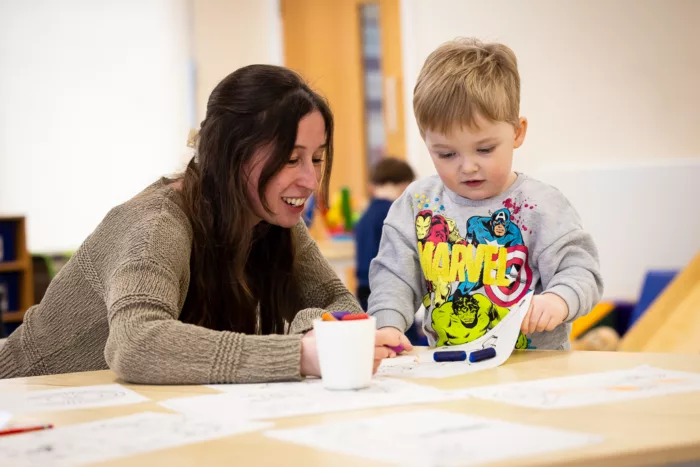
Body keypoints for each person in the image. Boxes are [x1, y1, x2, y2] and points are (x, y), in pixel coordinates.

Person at [0, 64, 412, 383]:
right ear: (231, 155)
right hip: (26, 406)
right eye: (290, 159)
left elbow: (339, 307)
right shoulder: (156, 223)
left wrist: (314, 332)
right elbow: (136, 344)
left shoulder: (272, 219)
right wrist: (300, 354)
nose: (310, 179)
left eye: (316, 158)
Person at [367, 38, 603, 351]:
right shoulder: (417, 204)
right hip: (450, 366)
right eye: (446, 154)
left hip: (535, 370)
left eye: (485, 149)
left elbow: (581, 271)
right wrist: (387, 325)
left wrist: (559, 299)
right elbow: (394, 276)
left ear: (517, 132)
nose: (468, 167)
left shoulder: (541, 206)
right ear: (427, 143)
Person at [354, 157, 415, 311]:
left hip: (365, 286)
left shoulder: (366, 214)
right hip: (386, 288)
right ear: (404, 185)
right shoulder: (393, 213)